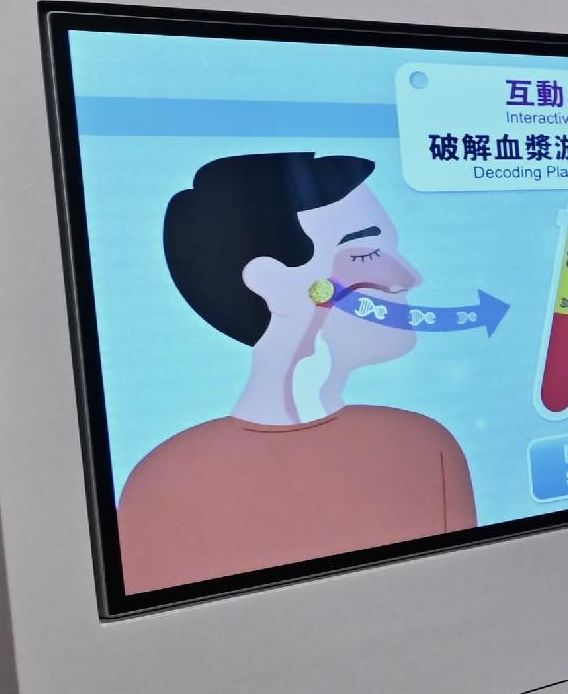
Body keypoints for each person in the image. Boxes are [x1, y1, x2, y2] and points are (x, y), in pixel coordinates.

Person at [115, 151, 473, 594]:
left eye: (392, 251)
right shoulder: (167, 482)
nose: (407, 277)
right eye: (365, 255)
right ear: (269, 281)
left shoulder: (424, 446)